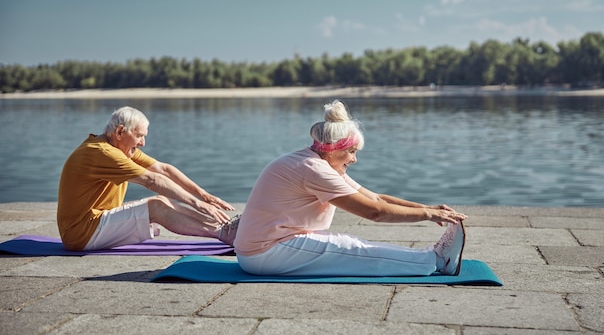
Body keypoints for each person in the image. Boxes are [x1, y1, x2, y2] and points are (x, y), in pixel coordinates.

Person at [234, 100, 467, 277]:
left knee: (346, 243)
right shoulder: (313, 169)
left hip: (271, 246)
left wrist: (426, 207)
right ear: (334, 149)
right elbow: (374, 213)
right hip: (266, 253)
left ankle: (431, 258)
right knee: (350, 248)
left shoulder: (317, 162)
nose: (354, 160)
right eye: (352, 152)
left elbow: (375, 198)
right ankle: (437, 261)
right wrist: (428, 215)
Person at [57, 106, 239, 251]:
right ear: (120, 132)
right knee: (156, 207)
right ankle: (223, 234)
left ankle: (225, 226)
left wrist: (204, 195)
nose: (143, 143)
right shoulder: (103, 153)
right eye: (139, 136)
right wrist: (196, 203)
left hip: (95, 223)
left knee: (162, 200)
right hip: (82, 233)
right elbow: (152, 180)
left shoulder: (116, 147)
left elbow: (163, 169)